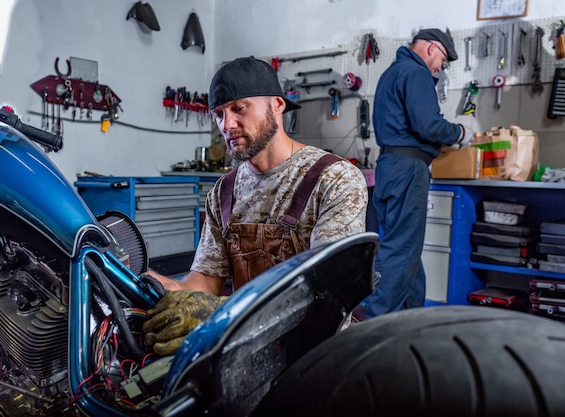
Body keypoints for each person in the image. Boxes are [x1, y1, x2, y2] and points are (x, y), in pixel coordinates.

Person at [143, 56, 368, 354]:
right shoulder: (223, 192)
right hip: (249, 349)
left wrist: (220, 311)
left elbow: (326, 294)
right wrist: (165, 288)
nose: (228, 125)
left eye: (239, 109)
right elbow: (206, 282)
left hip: (320, 353)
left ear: (277, 105)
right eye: (219, 114)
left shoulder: (334, 179)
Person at [365, 28, 474, 319]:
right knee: (401, 251)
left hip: (389, 167)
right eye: (443, 59)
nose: (441, 67)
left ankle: (413, 320)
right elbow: (429, 125)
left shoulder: (392, 72)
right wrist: (459, 132)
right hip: (408, 170)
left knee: (406, 251)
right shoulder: (416, 73)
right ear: (431, 48)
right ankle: (372, 326)